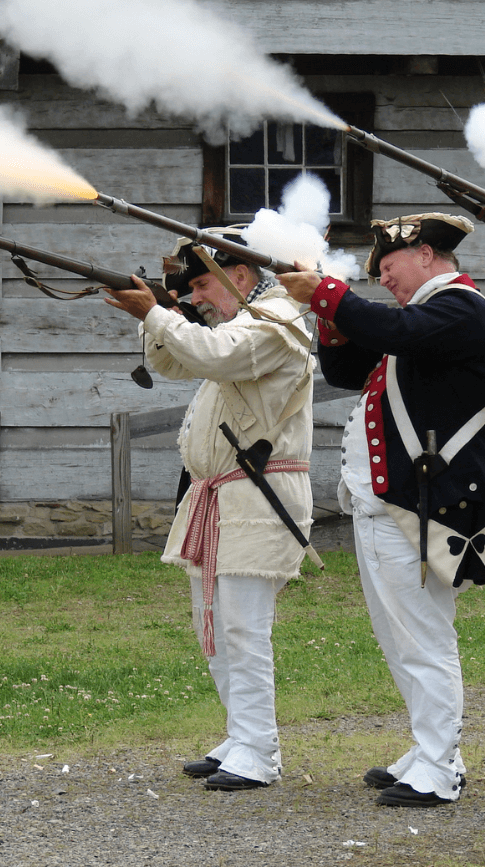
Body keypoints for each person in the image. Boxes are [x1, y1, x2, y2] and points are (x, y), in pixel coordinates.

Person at [278, 213, 485, 808]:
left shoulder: (459, 308)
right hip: (394, 503)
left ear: (426, 255)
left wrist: (328, 292)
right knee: (402, 637)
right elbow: (350, 368)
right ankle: (432, 748)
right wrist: (331, 317)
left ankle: (440, 764)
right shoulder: (425, 319)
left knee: (423, 638)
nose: (383, 281)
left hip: (420, 504)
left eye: (389, 267)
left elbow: (392, 330)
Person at [104, 237, 314, 792]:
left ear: (240, 275)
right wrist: (157, 314)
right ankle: (241, 735)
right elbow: (173, 359)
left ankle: (260, 751)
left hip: (257, 494)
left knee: (243, 629)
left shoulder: (275, 323)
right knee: (215, 626)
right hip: (225, 495)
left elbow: (211, 354)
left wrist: (154, 310)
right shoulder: (237, 325)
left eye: (202, 284)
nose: (195, 297)